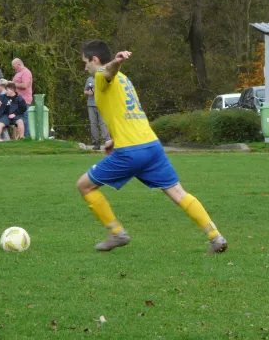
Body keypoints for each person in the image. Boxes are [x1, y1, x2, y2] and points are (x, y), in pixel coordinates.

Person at [75, 40, 227, 255]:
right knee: (177, 192)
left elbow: (108, 71)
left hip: (130, 151)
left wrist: (116, 62)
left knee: (84, 186)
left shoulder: (100, 75)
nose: (85, 68)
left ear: (95, 59)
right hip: (151, 146)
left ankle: (117, 232)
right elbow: (128, 113)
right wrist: (115, 139)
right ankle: (215, 236)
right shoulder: (125, 81)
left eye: (85, 62)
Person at [84, 75, 111, 150]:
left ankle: (107, 142)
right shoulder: (89, 79)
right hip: (91, 105)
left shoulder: (103, 77)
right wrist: (88, 93)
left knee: (103, 123)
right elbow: (85, 91)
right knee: (93, 124)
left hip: (101, 104)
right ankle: (96, 143)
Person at [12, 58, 33, 137]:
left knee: (24, 117)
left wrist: (13, 84)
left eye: (14, 66)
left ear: (19, 65)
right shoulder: (18, 73)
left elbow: (25, 85)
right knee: (19, 118)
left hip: (24, 99)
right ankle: (21, 136)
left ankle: (26, 136)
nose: (13, 68)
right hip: (17, 99)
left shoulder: (26, 72)